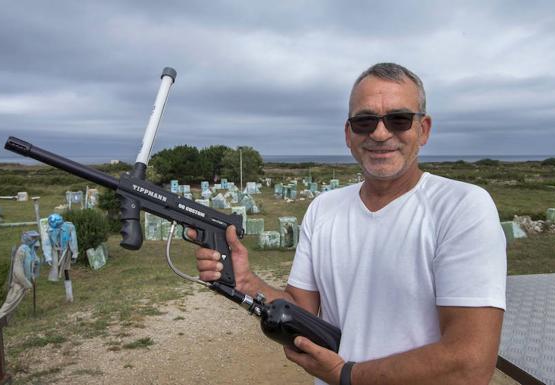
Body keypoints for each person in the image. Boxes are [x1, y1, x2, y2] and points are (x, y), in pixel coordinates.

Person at [191, 63, 506, 385]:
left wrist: (347, 375)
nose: (381, 134)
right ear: (348, 133)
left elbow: (470, 362)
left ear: (423, 129)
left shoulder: (461, 206)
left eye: (399, 119)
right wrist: (247, 283)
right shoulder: (324, 208)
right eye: (364, 121)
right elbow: (301, 309)